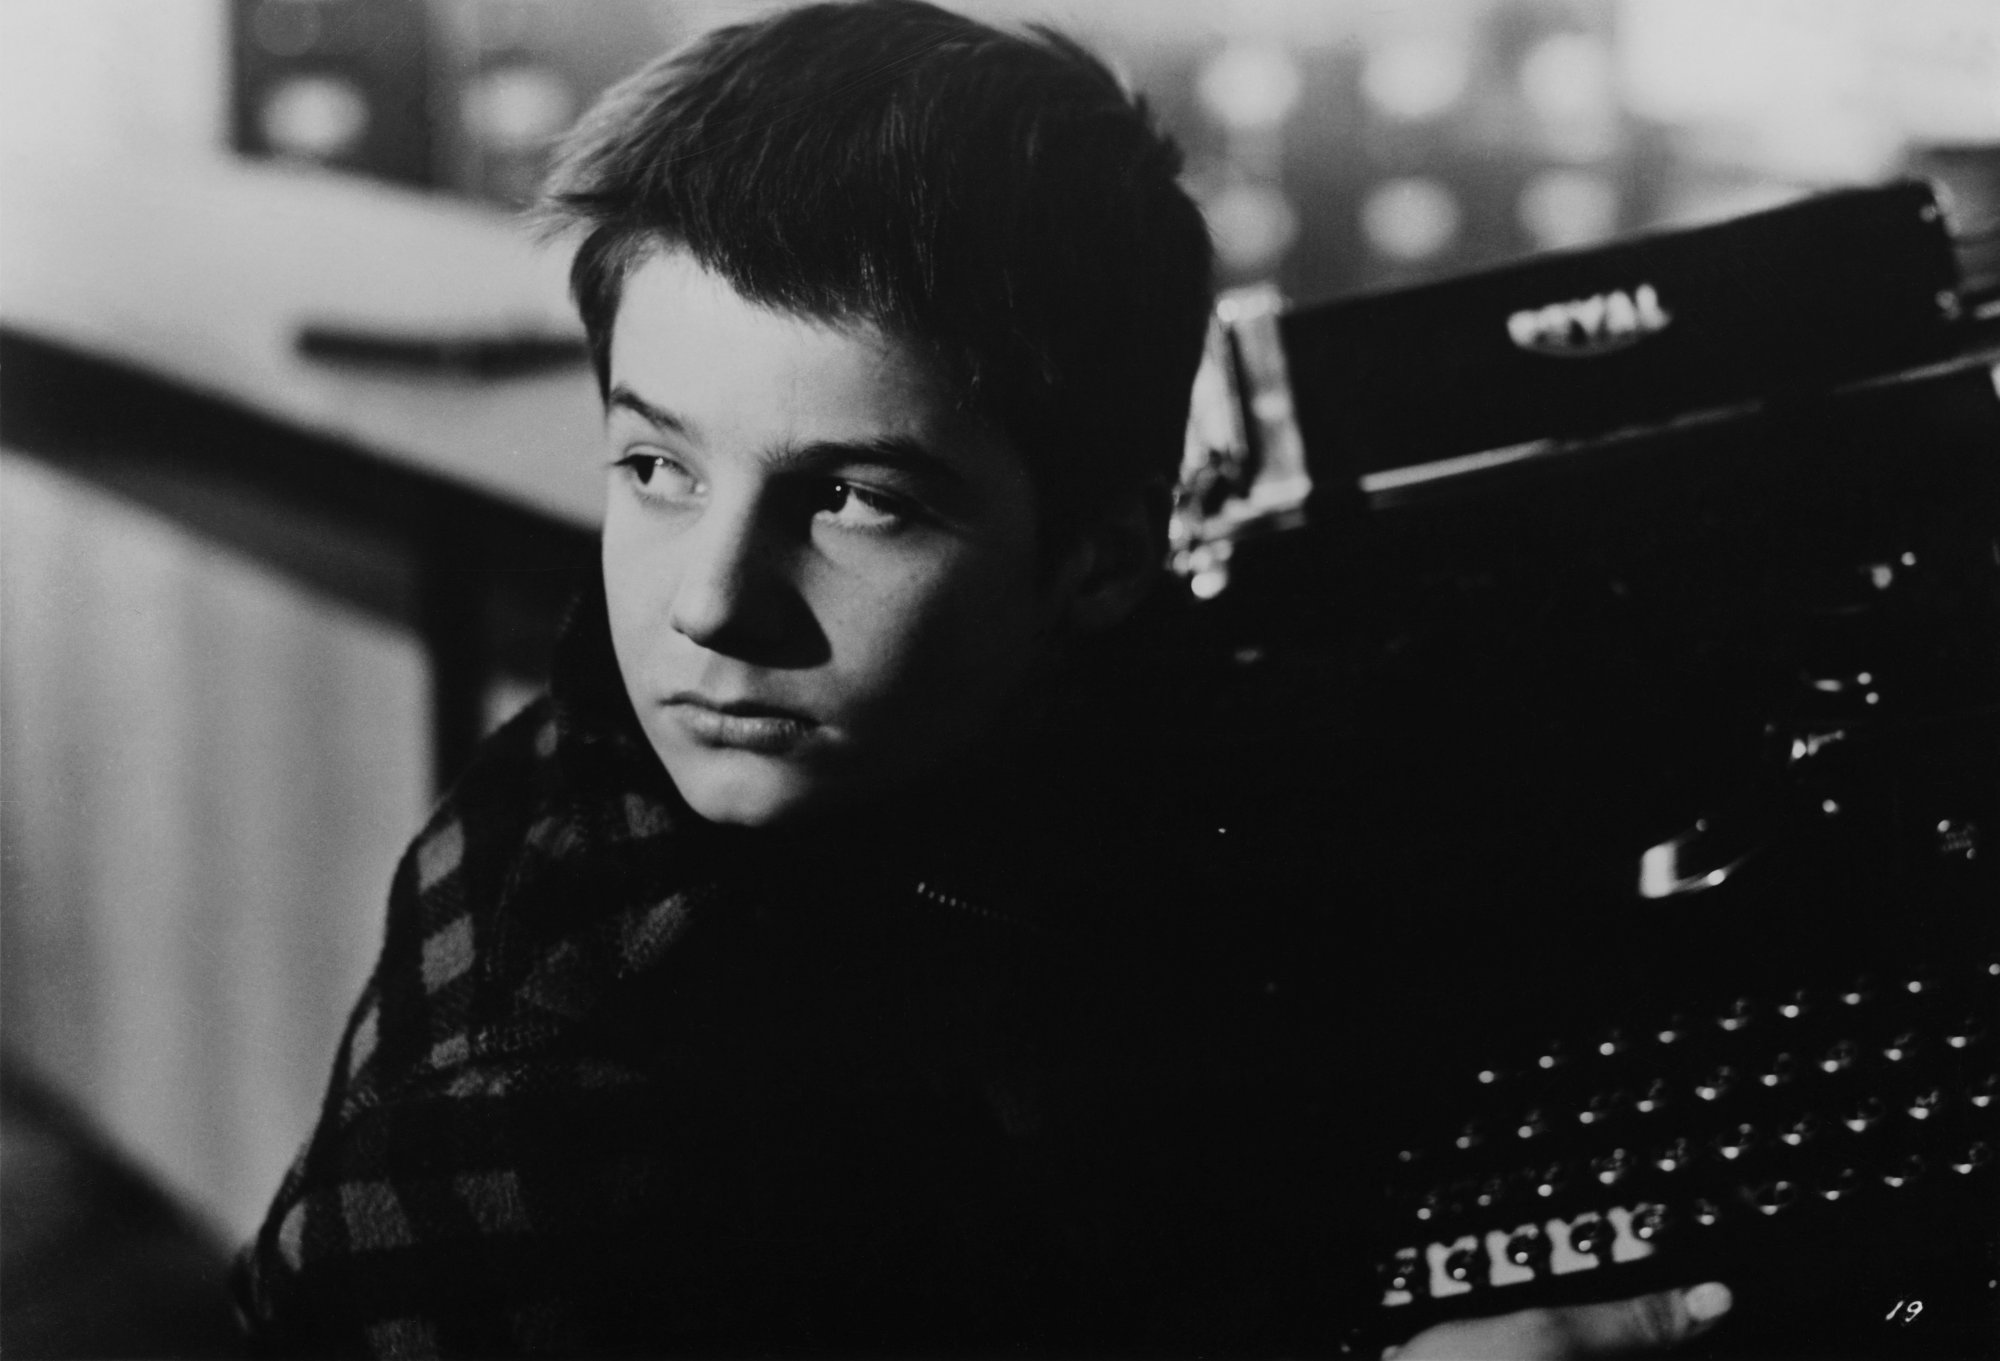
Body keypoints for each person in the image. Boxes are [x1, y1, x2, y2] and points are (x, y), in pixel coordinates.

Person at [232, 3, 1731, 1355]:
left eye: (858, 499)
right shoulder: (537, 1143)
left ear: (1102, 554)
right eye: (655, 465)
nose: (710, 605)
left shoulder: (961, 738)